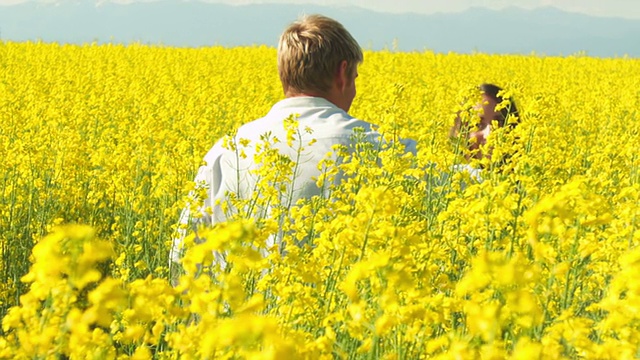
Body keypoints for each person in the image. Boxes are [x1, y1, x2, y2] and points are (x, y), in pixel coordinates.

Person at [170, 14, 416, 272]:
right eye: (354, 77)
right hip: (346, 309)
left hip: (237, 308)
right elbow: (443, 188)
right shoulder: (383, 149)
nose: (353, 89)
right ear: (342, 73)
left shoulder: (225, 150)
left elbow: (183, 255)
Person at [448, 83, 520, 180]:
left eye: (500, 122)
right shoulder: (450, 180)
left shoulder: (526, 181)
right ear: (462, 132)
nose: (490, 134)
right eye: (478, 125)